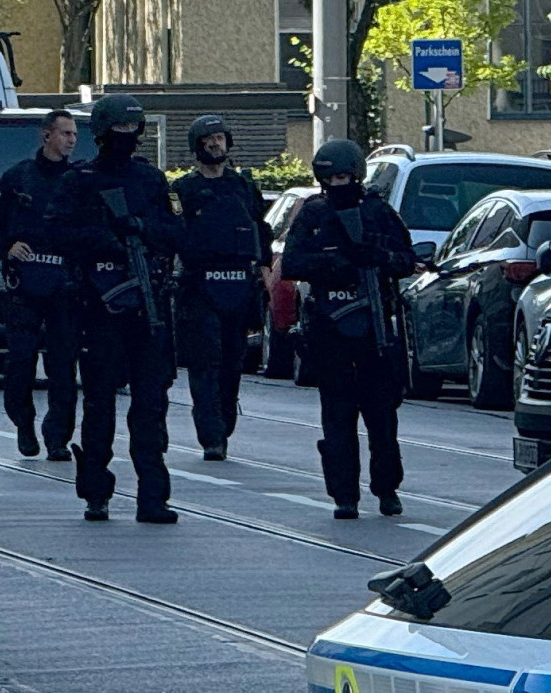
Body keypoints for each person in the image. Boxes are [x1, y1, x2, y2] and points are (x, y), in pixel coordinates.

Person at [46, 93, 184, 524]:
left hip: (147, 305)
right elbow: (56, 232)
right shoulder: (79, 181)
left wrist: (142, 229)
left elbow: (176, 231)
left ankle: (153, 495)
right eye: (119, 130)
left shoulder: (150, 180)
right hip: (98, 307)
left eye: (132, 130)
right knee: (100, 404)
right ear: (103, 132)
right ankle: (95, 491)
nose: (126, 138)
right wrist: (104, 238)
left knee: (150, 404)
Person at [280, 139, 417, 520]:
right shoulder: (313, 214)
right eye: (332, 177)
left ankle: (387, 488)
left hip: (375, 332)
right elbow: (291, 263)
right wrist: (337, 262)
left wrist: (380, 258)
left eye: (345, 176)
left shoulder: (379, 213)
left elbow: (407, 259)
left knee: (382, 419)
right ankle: (344, 495)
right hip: (330, 331)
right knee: (337, 419)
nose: (339, 183)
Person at [170, 115, 271, 461]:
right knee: (204, 362)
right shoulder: (183, 190)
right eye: (208, 139)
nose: (215, 144)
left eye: (220, 138)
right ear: (196, 146)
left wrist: (265, 268)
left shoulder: (243, 187)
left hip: (239, 284)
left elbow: (262, 228)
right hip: (200, 284)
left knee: (232, 361)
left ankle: (225, 421)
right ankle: (211, 435)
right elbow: (171, 232)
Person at [0, 110, 81, 462]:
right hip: (24, 285)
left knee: (63, 365)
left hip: (65, 286)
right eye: (65, 133)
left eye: (74, 134)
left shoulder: (78, 179)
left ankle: (57, 437)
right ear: (47, 136)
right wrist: (6, 248)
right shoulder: (18, 178)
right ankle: (24, 423)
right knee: (21, 362)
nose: (71, 139)